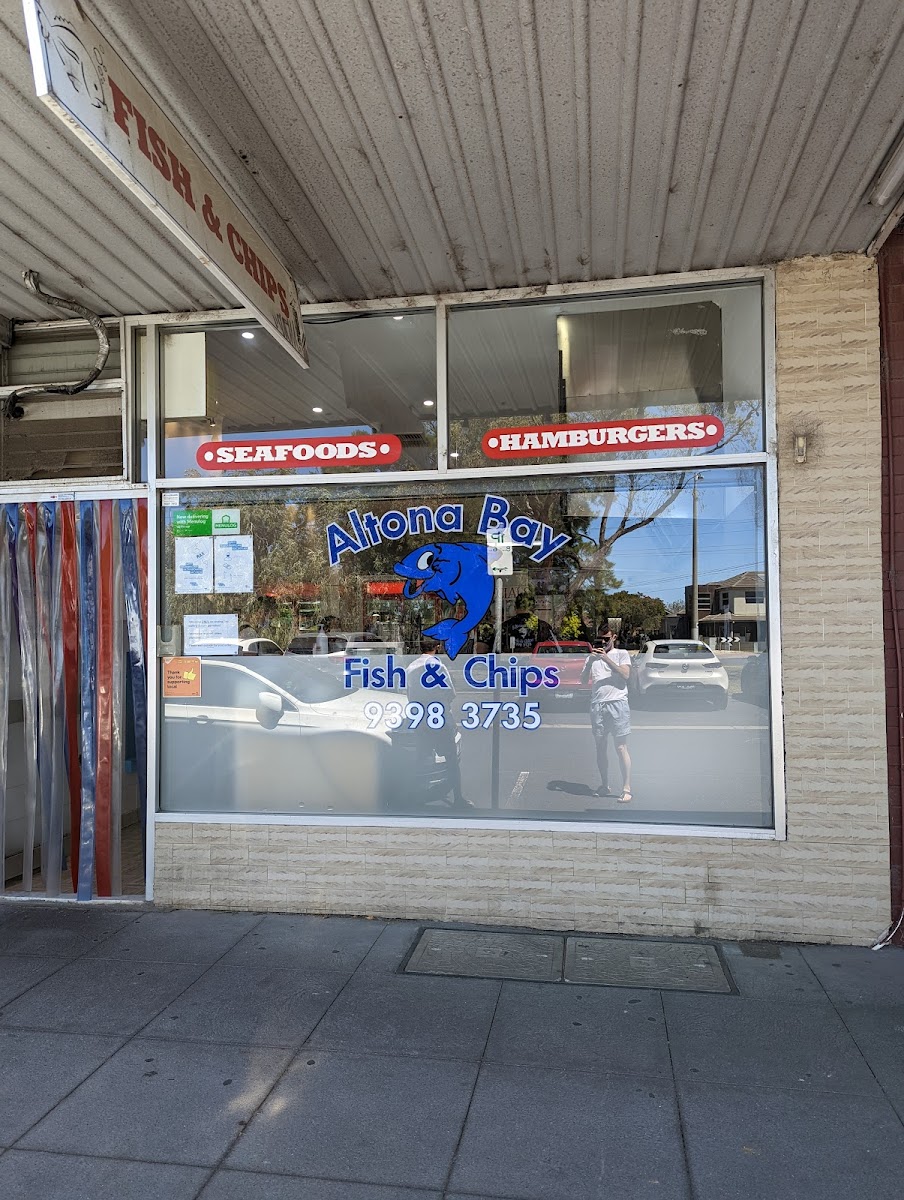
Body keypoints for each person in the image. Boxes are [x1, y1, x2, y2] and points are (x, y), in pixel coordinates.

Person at [580, 624, 633, 803]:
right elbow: (582, 680)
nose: (603, 642)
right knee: (600, 747)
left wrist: (606, 659)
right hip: (598, 705)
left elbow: (626, 675)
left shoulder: (621, 654)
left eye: (606, 639)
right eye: (600, 639)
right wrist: (591, 662)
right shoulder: (591, 658)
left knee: (620, 747)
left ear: (614, 638)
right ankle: (604, 785)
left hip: (618, 703)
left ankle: (626, 788)